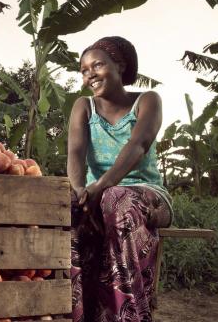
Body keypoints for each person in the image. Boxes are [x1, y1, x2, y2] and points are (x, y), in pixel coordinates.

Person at [67, 36, 173, 322]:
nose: (89, 74)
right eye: (84, 70)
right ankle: (77, 314)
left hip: (146, 196)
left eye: (97, 65)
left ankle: (128, 315)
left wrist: (101, 187)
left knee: (117, 198)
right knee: (67, 207)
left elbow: (138, 145)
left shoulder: (146, 100)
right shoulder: (83, 107)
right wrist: (79, 192)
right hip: (97, 198)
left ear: (120, 66)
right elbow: (75, 155)